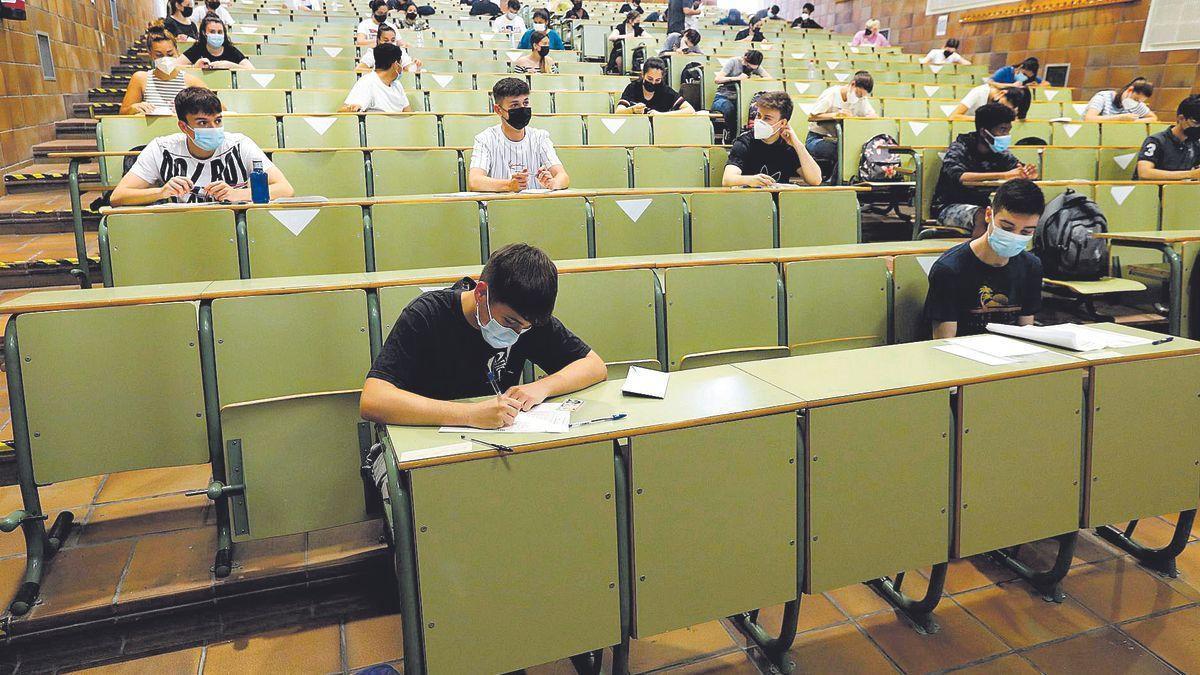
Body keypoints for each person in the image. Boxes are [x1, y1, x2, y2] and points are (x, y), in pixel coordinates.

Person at [360, 244, 607, 429]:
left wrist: (541, 387)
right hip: (427, 442)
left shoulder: (526, 319)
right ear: (481, 293)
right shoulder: (427, 314)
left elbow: (594, 366)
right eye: (509, 322)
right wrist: (469, 415)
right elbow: (373, 400)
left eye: (524, 327)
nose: (515, 333)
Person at [111, 87, 293, 206]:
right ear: (183, 126)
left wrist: (237, 194)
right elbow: (118, 197)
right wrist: (161, 191)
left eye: (218, 120)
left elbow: (285, 189)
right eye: (203, 123)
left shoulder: (240, 145)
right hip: (179, 231)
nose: (214, 128)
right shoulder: (161, 148)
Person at [924, 179, 1046, 338]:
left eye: (1026, 232)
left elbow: (1026, 332)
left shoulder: (1031, 266)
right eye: (1007, 228)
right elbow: (944, 342)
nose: (1014, 236)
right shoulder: (949, 269)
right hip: (962, 356)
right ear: (989, 215)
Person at [931, 103, 1038, 237]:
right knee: (983, 216)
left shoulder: (1000, 152)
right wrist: (1005, 175)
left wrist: (1027, 174)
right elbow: (961, 176)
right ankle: (977, 255)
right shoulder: (961, 146)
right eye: (1002, 130)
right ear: (983, 132)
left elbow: (1017, 168)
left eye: (1008, 130)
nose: (1006, 135)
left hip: (987, 204)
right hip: (948, 207)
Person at [469, 78, 570, 192]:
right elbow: (475, 181)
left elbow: (563, 176)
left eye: (525, 103)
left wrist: (553, 183)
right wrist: (509, 185)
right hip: (499, 207)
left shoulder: (540, 137)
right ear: (498, 110)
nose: (522, 109)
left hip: (536, 206)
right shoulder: (485, 139)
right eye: (514, 105)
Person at [723, 91, 820, 187]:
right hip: (749, 199)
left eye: (767, 118)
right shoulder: (744, 141)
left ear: (782, 123)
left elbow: (815, 180)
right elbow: (727, 179)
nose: (759, 121)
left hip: (780, 200)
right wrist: (750, 180)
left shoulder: (789, 146)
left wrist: (798, 145)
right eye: (759, 115)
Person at [805, 71, 877, 176]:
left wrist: (853, 118)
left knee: (854, 148)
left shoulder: (861, 99)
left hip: (839, 140)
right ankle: (837, 183)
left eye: (862, 96)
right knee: (845, 151)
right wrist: (836, 115)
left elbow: (873, 116)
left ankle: (841, 181)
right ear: (852, 84)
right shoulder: (832, 93)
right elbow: (811, 116)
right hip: (816, 139)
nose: (859, 97)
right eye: (858, 94)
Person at [120, 31, 208, 115]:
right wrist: (133, 108)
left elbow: (216, 106)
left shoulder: (191, 81)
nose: (165, 59)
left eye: (170, 54)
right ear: (151, 55)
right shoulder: (141, 79)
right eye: (159, 55)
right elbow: (123, 113)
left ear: (177, 51)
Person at [1134, 94, 1200, 180]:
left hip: (1177, 191)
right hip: (1150, 192)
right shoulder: (1156, 141)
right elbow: (1144, 173)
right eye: (1196, 123)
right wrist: (1190, 174)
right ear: (1181, 118)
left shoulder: (1194, 143)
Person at [712, 49, 769, 143]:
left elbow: (768, 78)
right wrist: (737, 79)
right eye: (747, 66)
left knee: (751, 110)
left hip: (741, 99)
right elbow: (717, 79)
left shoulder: (755, 66)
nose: (749, 69)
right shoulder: (733, 62)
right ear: (745, 59)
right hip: (723, 97)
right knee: (730, 109)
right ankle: (731, 137)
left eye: (753, 68)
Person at [339, 44, 413, 113]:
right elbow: (344, 111)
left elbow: (408, 114)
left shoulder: (397, 85)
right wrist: (351, 109)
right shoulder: (367, 83)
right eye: (401, 63)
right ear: (396, 65)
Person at [616, 57, 695, 115]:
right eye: (650, 79)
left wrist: (660, 115)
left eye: (657, 80)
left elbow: (690, 110)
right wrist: (632, 110)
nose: (653, 83)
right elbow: (618, 112)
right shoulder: (632, 88)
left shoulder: (666, 91)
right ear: (643, 74)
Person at [179, 15, 254, 69]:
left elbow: (251, 70)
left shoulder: (231, 50)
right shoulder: (197, 48)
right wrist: (194, 67)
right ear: (204, 33)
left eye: (220, 32)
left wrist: (229, 65)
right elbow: (176, 66)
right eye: (212, 31)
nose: (216, 35)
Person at [1085, 77, 1157, 121]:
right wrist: (1120, 118)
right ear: (1130, 90)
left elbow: (1153, 118)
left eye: (1139, 102)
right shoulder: (1103, 97)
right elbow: (1089, 118)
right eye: (1136, 99)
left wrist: (1132, 121)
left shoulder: (1136, 105)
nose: (1136, 103)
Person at [356, 25, 420, 72]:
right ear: (378, 40)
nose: (389, 43)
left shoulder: (400, 52)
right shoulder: (373, 52)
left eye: (392, 40)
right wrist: (381, 72)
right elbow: (359, 69)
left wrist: (414, 65)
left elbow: (408, 68)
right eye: (386, 40)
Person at [950, 83, 1030, 119]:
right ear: (1002, 93)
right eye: (1002, 104)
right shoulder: (979, 92)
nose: (1000, 109)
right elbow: (954, 116)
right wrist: (982, 120)